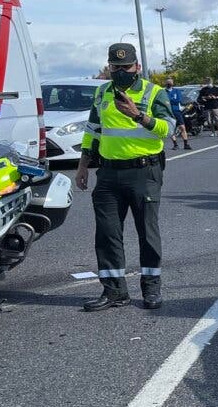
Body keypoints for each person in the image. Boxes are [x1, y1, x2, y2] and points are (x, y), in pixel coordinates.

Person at [74, 43, 175, 311]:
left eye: (126, 67)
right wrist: (83, 165)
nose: (120, 71)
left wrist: (139, 116)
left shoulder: (154, 92)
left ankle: (151, 288)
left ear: (137, 67)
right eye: (115, 67)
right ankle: (114, 291)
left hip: (144, 171)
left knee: (147, 232)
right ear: (109, 67)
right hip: (108, 174)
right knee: (107, 234)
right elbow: (93, 129)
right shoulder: (102, 92)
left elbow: (169, 129)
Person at [163, 76, 191, 151]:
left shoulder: (176, 91)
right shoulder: (163, 92)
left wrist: (169, 101)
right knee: (171, 129)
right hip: (168, 112)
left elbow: (178, 100)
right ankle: (175, 144)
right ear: (165, 83)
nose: (169, 83)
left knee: (182, 127)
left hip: (176, 111)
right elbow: (163, 101)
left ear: (172, 83)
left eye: (170, 82)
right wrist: (170, 101)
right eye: (168, 82)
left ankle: (186, 144)